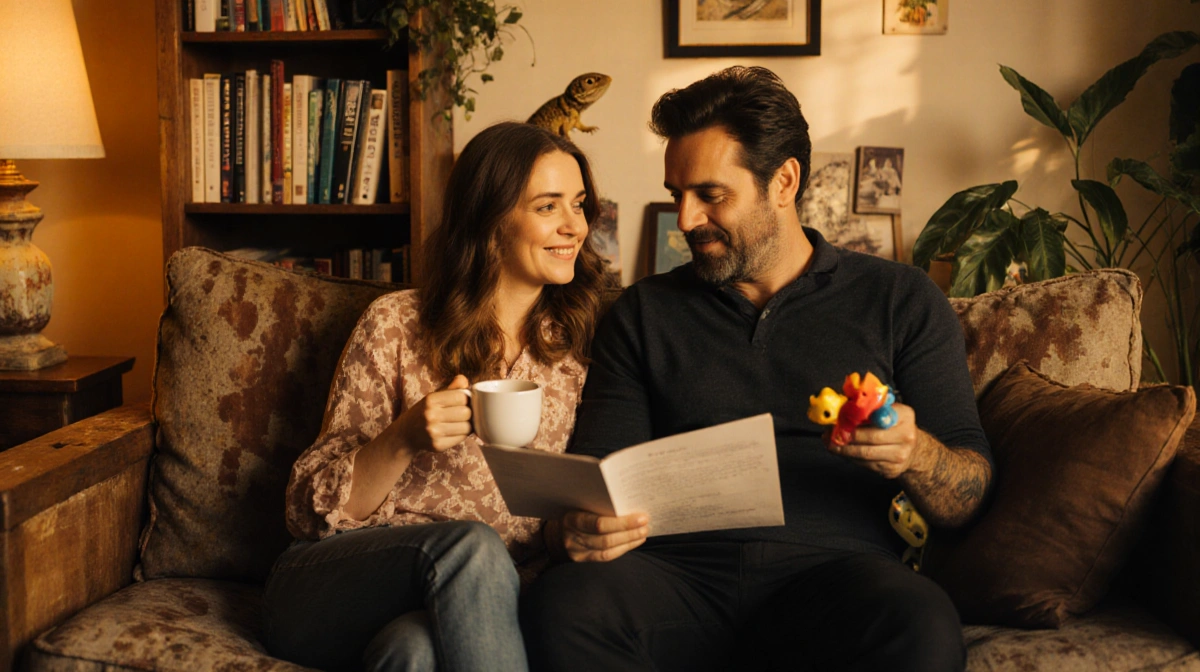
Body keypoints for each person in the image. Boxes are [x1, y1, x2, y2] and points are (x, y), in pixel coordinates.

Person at [521, 66, 993, 672]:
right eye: (676, 194)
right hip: (674, 578)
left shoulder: (899, 298)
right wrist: (574, 532)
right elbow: (595, 484)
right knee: (563, 605)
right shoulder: (644, 313)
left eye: (710, 195)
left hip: (836, 580)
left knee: (921, 622)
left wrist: (915, 454)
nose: (686, 219)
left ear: (784, 181)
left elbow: (969, 495)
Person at [262, 121, 608, 672]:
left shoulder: (579, 353)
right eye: (548, 207)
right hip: (332, 587)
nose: (575, 226)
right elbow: (307, 511)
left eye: (579, 204)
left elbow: (562, 519)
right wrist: (403, 437)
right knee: (472, 547)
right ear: (490, 219)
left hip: (475, 602)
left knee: (414, 654)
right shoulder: (398, 322)